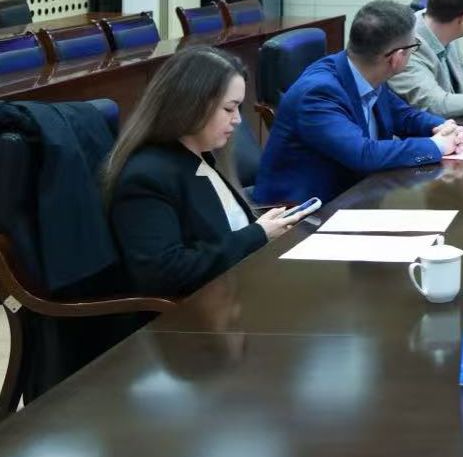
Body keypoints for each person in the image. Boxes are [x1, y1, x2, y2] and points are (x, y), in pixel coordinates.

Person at [105, 48, 316, 297]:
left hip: (236, 290)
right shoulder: (146, 177)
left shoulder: (200, 155)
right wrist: (258, 234)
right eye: (229, 109)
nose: (238, 120)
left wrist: (267, 228)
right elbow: (164, 273)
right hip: (195, 311)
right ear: (191, 105)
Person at [254, 0, 463, 205]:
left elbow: (404, 116)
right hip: (301, 214)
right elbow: (363, 155)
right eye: (415, 46)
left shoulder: (366, 70)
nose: (414, 52)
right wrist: (437, 145)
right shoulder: (318, 93)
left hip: (355, 195)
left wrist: (443, 127)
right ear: (396, 58)